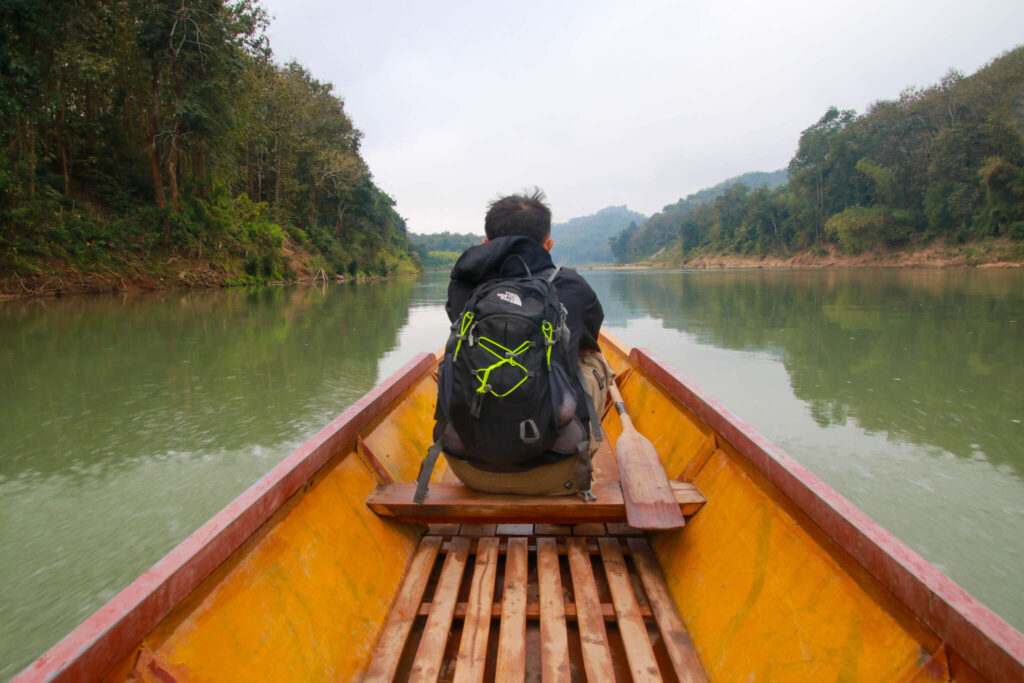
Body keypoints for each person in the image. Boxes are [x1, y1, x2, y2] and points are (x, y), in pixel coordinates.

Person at [436, 188, 615, 496]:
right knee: (593, 358)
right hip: (556, 474)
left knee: (456, 359)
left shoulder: (464, 286)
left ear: (486, 244)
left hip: (468, 470)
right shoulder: (571, 284)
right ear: (548, 245)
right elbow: (587, 341)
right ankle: (577, 451)